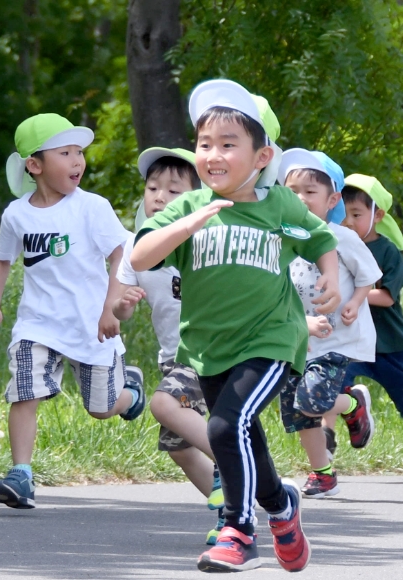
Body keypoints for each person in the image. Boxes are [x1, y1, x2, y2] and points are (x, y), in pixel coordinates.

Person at [131, 79, 334, 573]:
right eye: (204, 144)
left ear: (262, 156)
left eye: (227, 144)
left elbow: (320, 236)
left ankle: (238, 530)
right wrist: (187, 224)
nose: (213, 154)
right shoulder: (186, 207)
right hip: (206, 346)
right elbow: (141, 255)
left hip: (271, 339)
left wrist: (329, 275)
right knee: (243, 437)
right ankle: (282, 507)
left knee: (226, 424)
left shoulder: (279, 206)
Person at [0, 113, 147, 510]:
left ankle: (130, 392)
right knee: (25, 388)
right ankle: (21, 475)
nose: (78, 161)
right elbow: (2, 259)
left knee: (101, 408)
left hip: (92, 325)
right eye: (65, 153)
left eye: (79, 152)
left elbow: (121, 255)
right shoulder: (16, 214)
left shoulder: (92, 208)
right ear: (34, 166)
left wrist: (112, 306)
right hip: (38, 324)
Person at [121, 146, 231, 545]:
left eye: (173, 190)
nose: (160, 197)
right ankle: (232, 511)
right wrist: (121, 305)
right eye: (152, 188)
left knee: (164, 405)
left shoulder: (212, 238)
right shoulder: (140, 245)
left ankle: (230, 458)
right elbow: (116, 312)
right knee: (179, 447)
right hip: (174, 358)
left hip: (214, 353)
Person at [275, 149, 382, 499]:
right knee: (297, 409)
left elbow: (369, 276)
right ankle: (323, 473)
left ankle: (351, 405)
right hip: (297, 339)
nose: (301, 199)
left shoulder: (341, 236)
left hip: (337, 339)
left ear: (331, 198)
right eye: (292, 192)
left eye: (310, 192)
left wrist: (354, 301)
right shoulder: (281, 239)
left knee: (311, 401)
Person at [340, 174, 403, 465]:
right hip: (351, 338)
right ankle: (338, 432)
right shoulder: (338, 245)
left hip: (388, 342)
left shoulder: (388, 252)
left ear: (377, 215)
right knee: (334, 384)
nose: (348, 222)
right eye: (342, 215)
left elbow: (386, 297)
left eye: (356, 214)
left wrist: (352, 294)